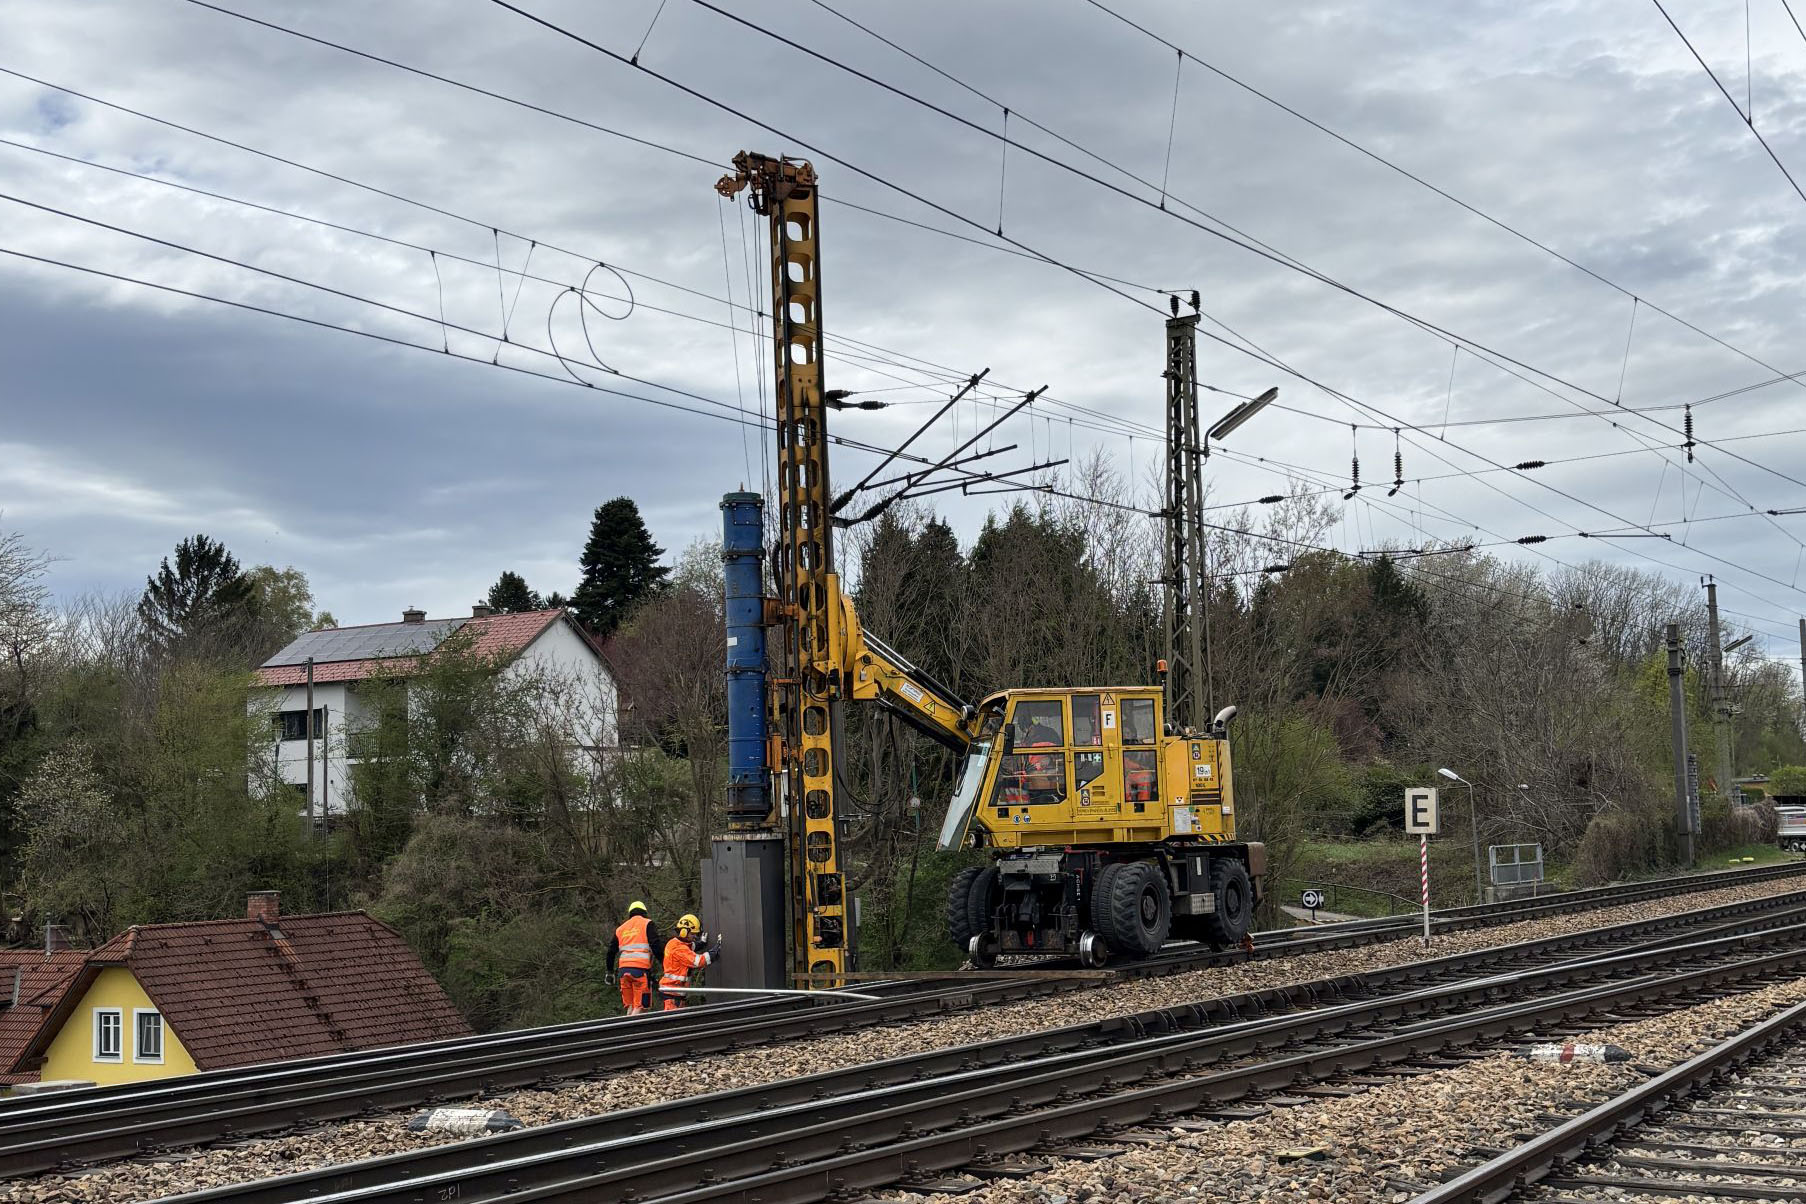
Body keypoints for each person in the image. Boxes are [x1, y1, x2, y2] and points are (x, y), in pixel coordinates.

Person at [606, 900, 660, 1015]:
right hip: (640, 971)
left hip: (623, 971)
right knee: (640, 1006)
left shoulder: (621, 929)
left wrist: (609, 972)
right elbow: (656, 946)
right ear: (644, 912)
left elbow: (611, 952)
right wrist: (665, 963)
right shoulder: (647, 924)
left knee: (630, 1006)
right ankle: (632, 1031)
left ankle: (626, 1030)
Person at [659, 914, 722, 1010]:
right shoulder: (678, 948)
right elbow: (699, 961)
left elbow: (690, 947)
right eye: (693, 934)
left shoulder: (676, 943)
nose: (695, 937)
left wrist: (702, 943)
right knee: (674, 1022)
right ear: (684, 932)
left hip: (675, 991)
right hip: (672, 993)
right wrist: (716, 950)